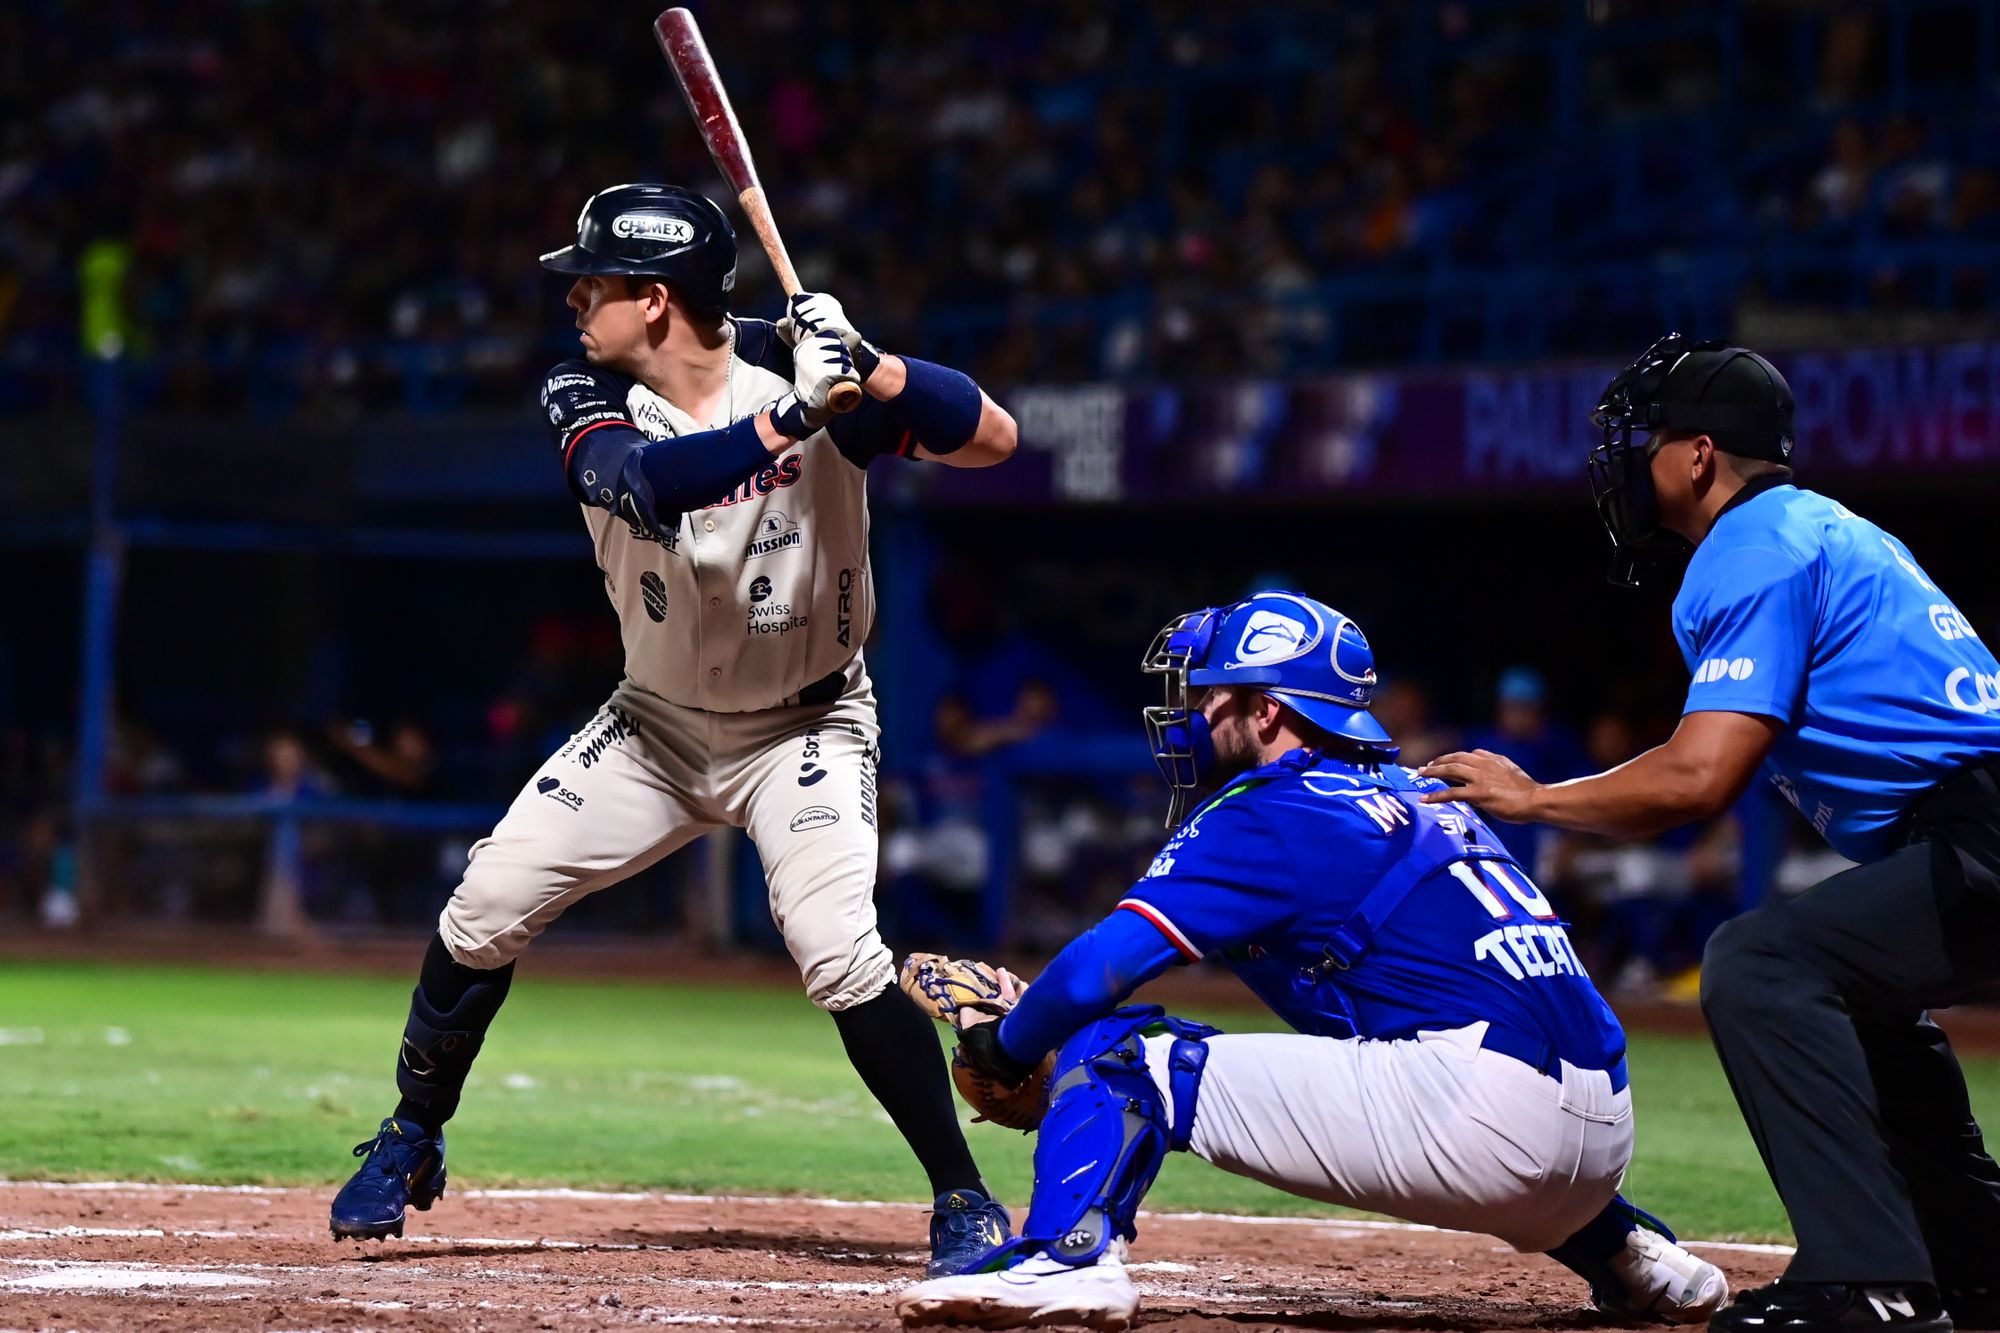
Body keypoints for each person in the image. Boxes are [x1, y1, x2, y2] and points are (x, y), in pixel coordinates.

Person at [330, 183, 1021, 1275]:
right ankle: (412, 1132)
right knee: (484, 906)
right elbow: (637, 484)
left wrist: (875, 369)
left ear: (654, 299)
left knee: (839, 956)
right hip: (651, 727)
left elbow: (994, 437)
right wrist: (798, 416)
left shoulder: (813, 365)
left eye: (591, 282)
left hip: (805, 726)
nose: (573, 300)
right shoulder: (588, 387)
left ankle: (961, 1198)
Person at [895, 591, 1727, 1330]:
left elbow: (1091, 975)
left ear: (1268, 712)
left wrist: (1004, 1045)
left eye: (1217, 694)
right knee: (1426, 1064)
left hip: (1485, 1116)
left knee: (1114, 1053)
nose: (1197, 713)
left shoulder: (1270, 807)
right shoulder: (1414, 794)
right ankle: (1632, 1255)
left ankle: (1068, 1262)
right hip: (1600, 1127)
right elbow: (1341, 1011)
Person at [1420, 335, 2000, 1333]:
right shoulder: (1820, 529)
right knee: (1849, 992)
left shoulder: (1752, 548)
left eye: (1640, 442)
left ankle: (1862, 1279)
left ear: (1695, 455)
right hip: (1959, 832)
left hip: (1972, 829)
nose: (1623, 463)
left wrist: (1532, 798)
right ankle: (1976, 1262)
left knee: (1760, 964)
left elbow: (1698, 777)